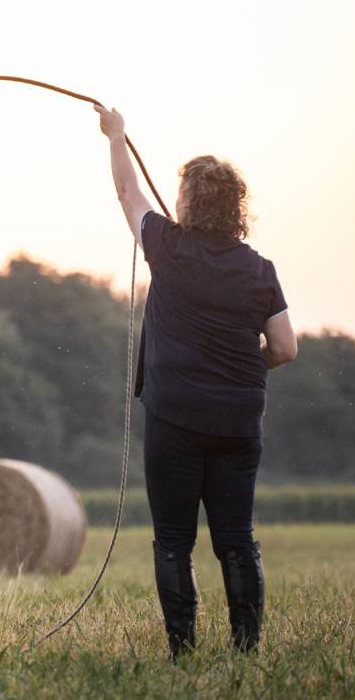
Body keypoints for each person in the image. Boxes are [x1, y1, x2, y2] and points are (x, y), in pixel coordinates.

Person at [95, 104, 298, 660]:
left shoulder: (167, 246)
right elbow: (285, 348)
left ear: (186, 203)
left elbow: (127, 193)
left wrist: (116, 136)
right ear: (236, 209)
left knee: (173, 540)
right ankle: (246, 650)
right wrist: (245, 364)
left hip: (175, 420)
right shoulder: (260, 270)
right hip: (239, 423)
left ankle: (182, 653)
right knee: (236, 539)